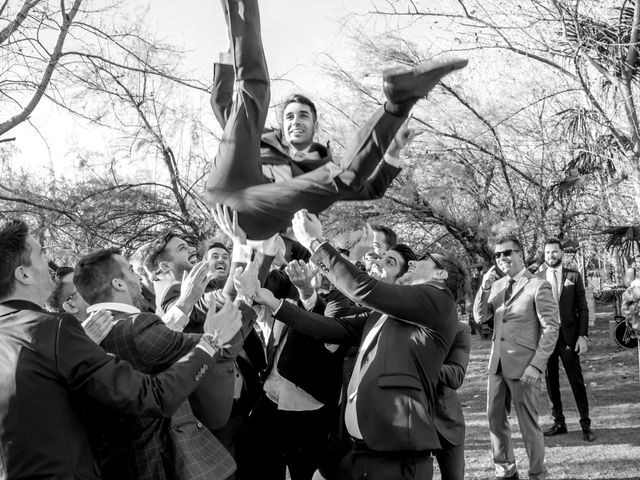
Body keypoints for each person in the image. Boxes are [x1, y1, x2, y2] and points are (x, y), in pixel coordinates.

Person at [205, 0, 467, 240]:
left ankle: (398, 102)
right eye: (289, 116)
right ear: (282, 126)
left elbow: (372, 189)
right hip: (227, 182)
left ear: (315, 126)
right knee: (255, 92)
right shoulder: (261, 138)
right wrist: (233, 51)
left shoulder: (322, 170)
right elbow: (221, 103)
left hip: (252, 218)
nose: (295, 121)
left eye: (303, 116)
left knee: (346, 176)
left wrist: (394, 150)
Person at [0, 219, 240, 479]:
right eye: (41, 253)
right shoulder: (54, 330)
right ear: (23, 274)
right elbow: (152, 397)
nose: (49, 261)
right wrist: (210, 343)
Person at [239, 208, 467, 480]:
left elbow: (365, 289)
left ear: (441, 275)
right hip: (359, 453)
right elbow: (334, 328)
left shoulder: (440, 301)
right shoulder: (384, 315)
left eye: (425, 260)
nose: (415, 262)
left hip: (394, 457)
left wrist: (314, 243)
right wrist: (273, 303)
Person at [73, 247, 257, 480]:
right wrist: (245, 298)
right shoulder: (136, 326)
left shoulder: (87, 339)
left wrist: (186, 303)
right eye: (130, 270)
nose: (137, 276)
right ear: (118, 284)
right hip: (178, 462)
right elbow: (221, 345)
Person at [473, 233, 559, 480]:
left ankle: (537, 473)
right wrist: (485, 286)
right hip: (496, 365)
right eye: (497, 255)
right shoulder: (497, 286)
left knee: (528, 425)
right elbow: (480, 317)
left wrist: (536, 365)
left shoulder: (538, 285)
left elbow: (551, 328)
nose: (501, 258)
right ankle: (506, 469)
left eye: (507, 253)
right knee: (495, 419)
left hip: (524, 368)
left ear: (519, 254)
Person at [538, 238, 595, 442]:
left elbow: (583, 309)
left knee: (576, 381)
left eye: (554, 252)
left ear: (561, 253)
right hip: (546, 338)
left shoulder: (573, 275)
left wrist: (582, 336)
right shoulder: (536, 277)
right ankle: (559, 422)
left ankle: (585, 423)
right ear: (543, 255)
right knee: (550, 381)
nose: (551, 256)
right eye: (547, 253)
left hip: (569, 337)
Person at [434, 322, 471, 480]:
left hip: (447, 418)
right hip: (410, 419)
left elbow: (456, 375)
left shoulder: (460, 330)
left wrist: (420, 362)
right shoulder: (404, 324)